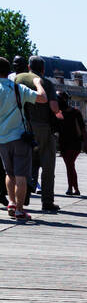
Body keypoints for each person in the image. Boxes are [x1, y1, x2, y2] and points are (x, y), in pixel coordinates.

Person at [0, 56, 47, 222]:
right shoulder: (17, 88)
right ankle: (19, 210)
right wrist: (38, 83)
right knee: (21, 175)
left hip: (2, 139)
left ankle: (11, 202)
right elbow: (42, 98)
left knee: (9, 173)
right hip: (20, 137)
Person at [13, 56, 61, 213]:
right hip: (41, 126)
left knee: (22, 163)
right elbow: (53, 107)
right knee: (48, 164)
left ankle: (20, 199)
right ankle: (47, 201)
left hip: (20, 126)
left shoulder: (17, 78)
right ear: (43, 69)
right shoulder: (45, 82)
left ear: (28, 66)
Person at [56, 92, 87, 195]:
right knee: (70, 165)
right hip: (64, 143)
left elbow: (82, 128)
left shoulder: (75, 112)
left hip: (74, 143)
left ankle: (72, 188)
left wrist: (85, 143)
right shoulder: (59, 113)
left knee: (70, 165)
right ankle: (74, 188)